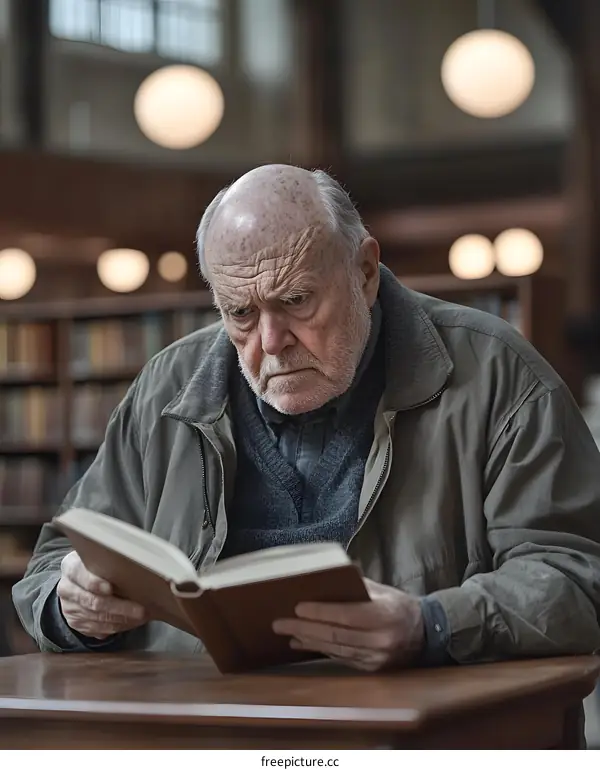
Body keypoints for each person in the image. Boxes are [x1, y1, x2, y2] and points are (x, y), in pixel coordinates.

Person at [12, 164, 600, 672]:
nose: (271, 342)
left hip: (404, 732)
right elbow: (51, 565)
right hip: (204, 730)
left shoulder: (497, 375)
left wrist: (432, 625)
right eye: (240, 313)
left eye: (295, 301)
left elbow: (577, 576)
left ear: (364, 272)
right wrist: (71, 608)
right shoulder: (166, 387)